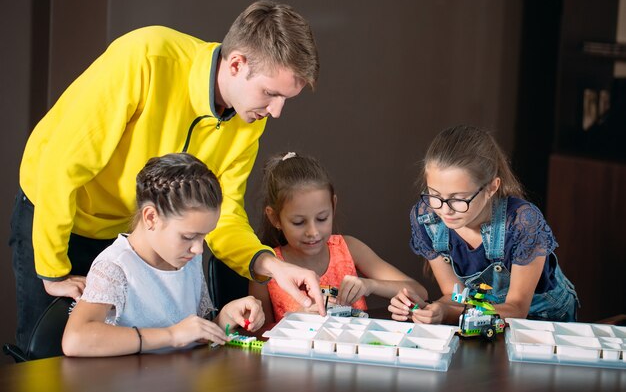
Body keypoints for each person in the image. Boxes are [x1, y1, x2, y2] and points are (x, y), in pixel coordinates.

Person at [10, 0, 323, 352]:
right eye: (271, 93)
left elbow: (226, 214)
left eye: (286, 99)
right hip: (55, 214)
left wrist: (272, 266)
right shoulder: (146, 58)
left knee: (121, 354)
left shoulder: (249, 118)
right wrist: (53, 270)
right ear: (236, 64)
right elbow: (62, 164)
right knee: (44, 357)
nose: (276, 111)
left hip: (130, 230)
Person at [62, 153, 264, 356]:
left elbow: (190, 336)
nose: (199, 249)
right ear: (151, 217)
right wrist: (171, 334)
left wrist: (224, 318)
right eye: (188, 236)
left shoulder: (188, 258)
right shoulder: (115, 267)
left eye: (204, 236)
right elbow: (75, 340)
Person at [389, 125, 579, 325]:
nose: (445, 210)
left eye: (459, 199)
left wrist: (448, 312)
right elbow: (457, 297)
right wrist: (429, 309)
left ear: (492, 187)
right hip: (480, 318)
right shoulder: (428, 219)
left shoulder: (522, 222)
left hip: (543, 320)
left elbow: (516, 310)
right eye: (435, 195)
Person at [250, 152, 428, 323]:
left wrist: (370, 285)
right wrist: (298, 319)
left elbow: (420, 292)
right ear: (275, 218)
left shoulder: (348, 248)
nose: (313, 232)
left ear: (333, 206)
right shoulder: (266, 268)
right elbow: (260, 332)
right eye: (298, 222)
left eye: (322, 218)